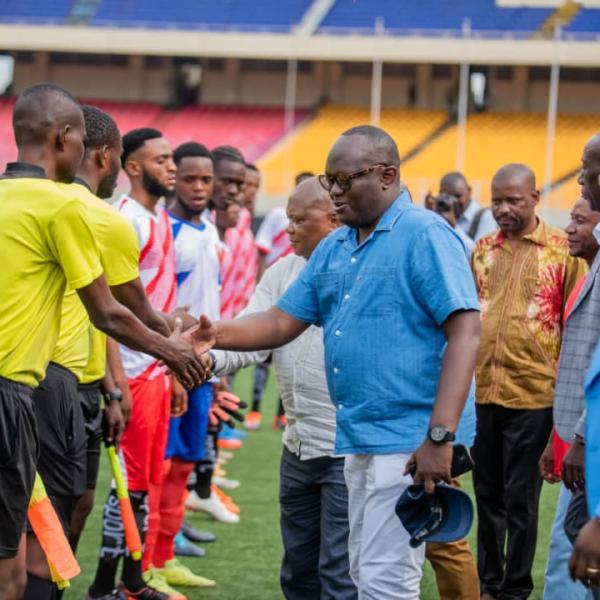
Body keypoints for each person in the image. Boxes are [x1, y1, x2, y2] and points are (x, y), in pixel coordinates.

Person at [195, 125, 481, 598]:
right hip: (356, 434)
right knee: (362, 572)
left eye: (345, 181)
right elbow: (282, 321)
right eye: (331, 182)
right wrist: (215, 334)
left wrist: (438, 437)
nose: (335, 194)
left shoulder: (425, 234)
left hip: (407, 440)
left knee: (387, 580)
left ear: (388, 175)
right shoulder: (338, 245)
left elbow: (466, 332)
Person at [0, 84, 207, 600]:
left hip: (44, 388)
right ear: (68, 137)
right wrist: (175, 350)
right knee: (13, 567)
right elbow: (112, 312)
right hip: (21, 391)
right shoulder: (68, 206)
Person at [211, 177, 357, 600]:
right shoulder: (282, 271)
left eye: (298, 220)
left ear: (332, 221)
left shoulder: (365, 271)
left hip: (345, 449)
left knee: (339, 574)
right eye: (287, 218)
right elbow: (251, 333)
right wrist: (206, 358)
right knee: (297, 571)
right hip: (296, 445)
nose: (288, 229)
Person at [471, 163, 586, 600]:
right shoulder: (481, 249)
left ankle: (515, 589)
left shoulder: (563, 251)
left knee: (521, 501)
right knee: (487, 497)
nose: (502, 208)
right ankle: (488, 585)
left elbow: (575, 325)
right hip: (485, 392)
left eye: (513, 200)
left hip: (536, 396)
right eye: (496, 200)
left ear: (535, 197)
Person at [539, 195, 599, 600]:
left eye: (580, 220)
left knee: (575, 542)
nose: (570, 228)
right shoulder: (587, 274)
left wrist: (578, 441)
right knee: (569, 537)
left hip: (589, 444)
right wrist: (556, 440)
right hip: (579, 440)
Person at [440, 171, 496, 241]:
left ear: (469, 191)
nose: (452, 202)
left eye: (457, 196)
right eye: (447, 197)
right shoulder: (440, 215)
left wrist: (454, 226)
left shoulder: (485, 217)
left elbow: (480, 251)